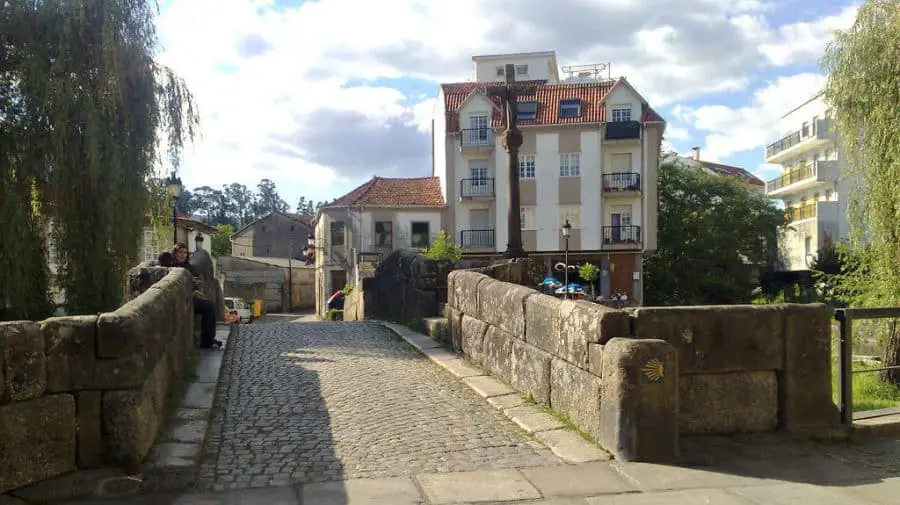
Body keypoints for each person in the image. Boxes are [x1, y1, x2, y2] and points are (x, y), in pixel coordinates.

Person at [171, 243, 222, 349]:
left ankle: (208, 340)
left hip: (189, 298)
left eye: (185, 253)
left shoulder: (189, 267)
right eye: (180, 252)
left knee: (210, 307)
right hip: (177, 299)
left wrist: (196, 291)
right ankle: (206, 341)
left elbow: (194, 284)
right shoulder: (172, 266)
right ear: (175, 253)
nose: (183, 255)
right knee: (208, 307)